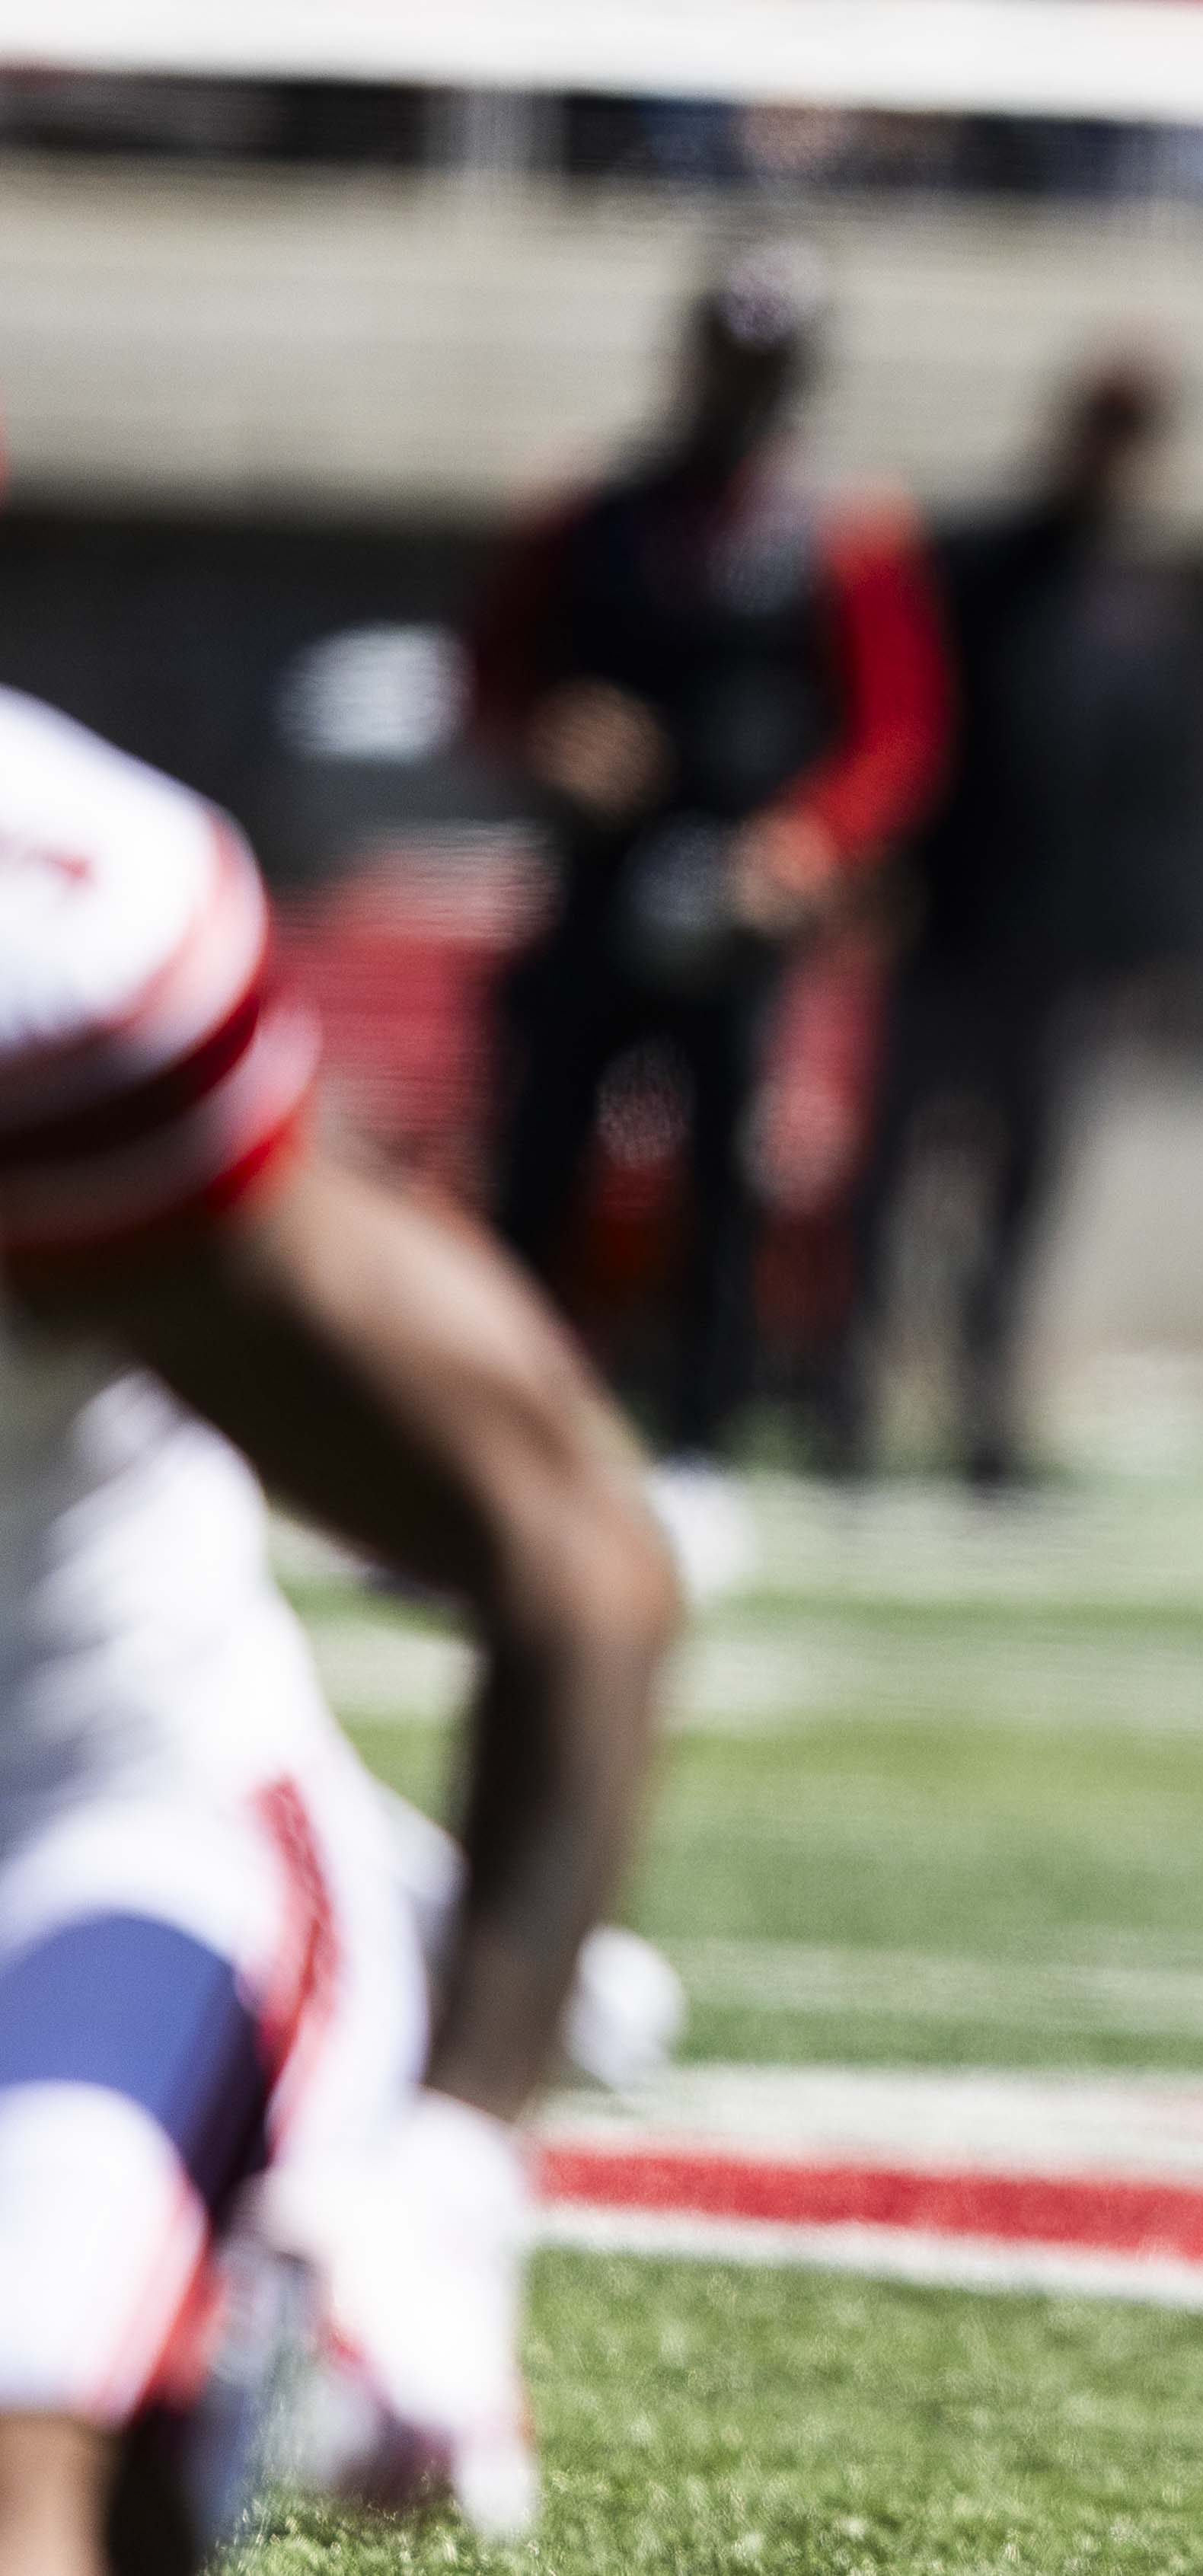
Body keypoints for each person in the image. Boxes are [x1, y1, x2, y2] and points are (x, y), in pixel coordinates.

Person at [0, 696, 679, 2572]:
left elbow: (566, 1538)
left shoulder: (57, 937)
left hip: (78, 1801)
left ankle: (330, 2048)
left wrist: (459, 2165)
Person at [462, 238, 949, 1483]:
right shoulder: (586, 513)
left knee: (725, 1175)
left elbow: (898, 729)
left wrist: (807, 839)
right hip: (595, 888)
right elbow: (490, 682)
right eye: (730, 359)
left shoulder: (844, 533)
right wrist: (548, 737)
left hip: (739, 906)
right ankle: (497, 1416)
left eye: (770, 366)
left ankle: (700, 1436)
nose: (746, 389)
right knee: (538, 1156)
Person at [819, 355, 1193, 1489]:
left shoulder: (1138, 603)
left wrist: (1156, 944)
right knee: (890, 1180)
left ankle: (986, 1418)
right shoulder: (965, 564)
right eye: (1096, 427)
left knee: (1019, 1199)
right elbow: (892, 721)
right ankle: (849, 1409)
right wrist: (874, 870)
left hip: (1061, 949)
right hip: (944, 923)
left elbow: (1154, 793)